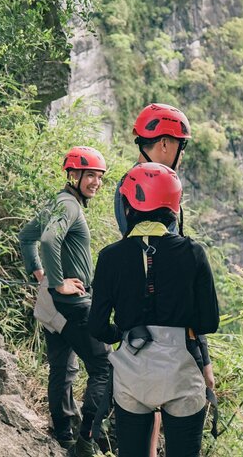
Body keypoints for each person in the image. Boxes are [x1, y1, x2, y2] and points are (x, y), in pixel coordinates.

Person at [90, 163, 220, 457]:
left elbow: (97, 326)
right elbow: (208, 322)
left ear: (129, 207)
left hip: (132, 374)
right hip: (181, 371)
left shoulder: (110, 257)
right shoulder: (193, 252)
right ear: (173, 207)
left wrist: (125, 333)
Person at [18, 146, 111, 456]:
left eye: (99, 177)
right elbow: (46, 239)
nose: (96, 182)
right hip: (71, 305)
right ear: (74, 175)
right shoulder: (69, 206)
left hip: (53, 304)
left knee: (62, 367)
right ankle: (85, 440)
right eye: (90, 176)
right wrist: (58, 284)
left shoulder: (57, 203)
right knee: (103, 367)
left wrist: (39, 272)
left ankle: (63, 434)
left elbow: (25, 236)